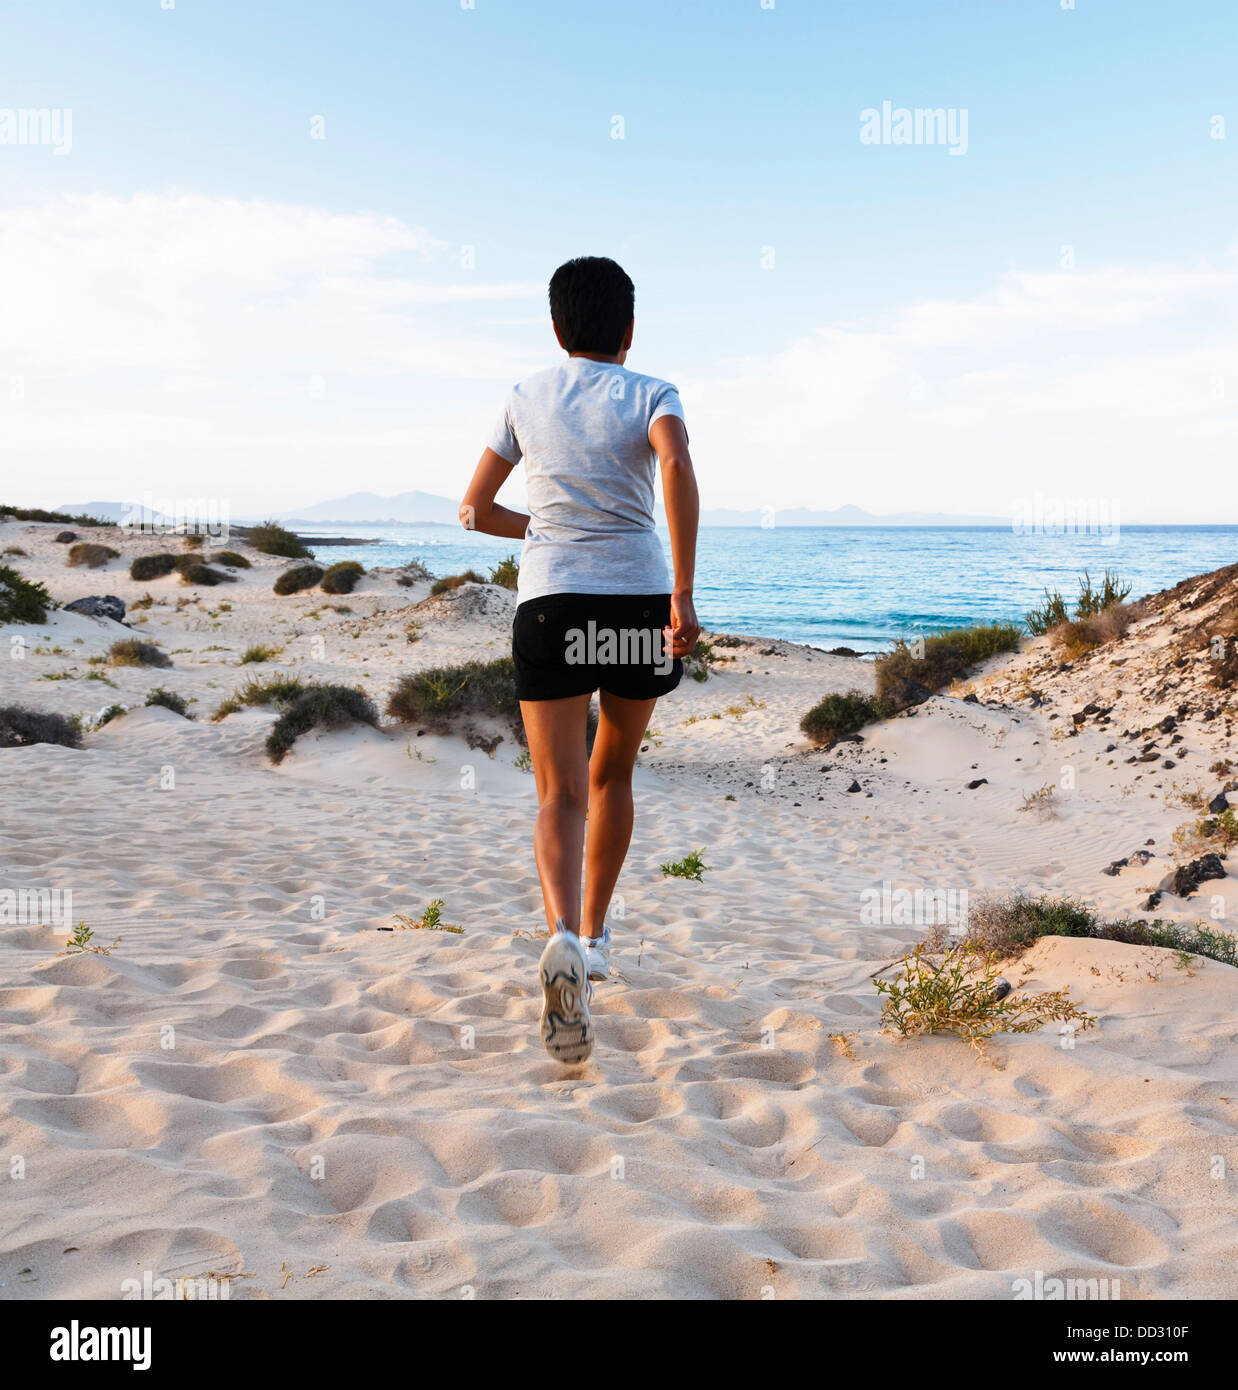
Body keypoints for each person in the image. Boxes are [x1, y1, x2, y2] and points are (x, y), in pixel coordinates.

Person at [459, 255, 700, 1064]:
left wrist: (542, 529)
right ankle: (594, 942)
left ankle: (562, 934)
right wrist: (683, 595)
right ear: (629, 330)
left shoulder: (526, 395)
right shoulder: (652, 393)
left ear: (557, 329)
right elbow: (674, 464)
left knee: (558, 791)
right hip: (635, 601)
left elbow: (472, 509)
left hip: (552, 602)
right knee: (612, 775)